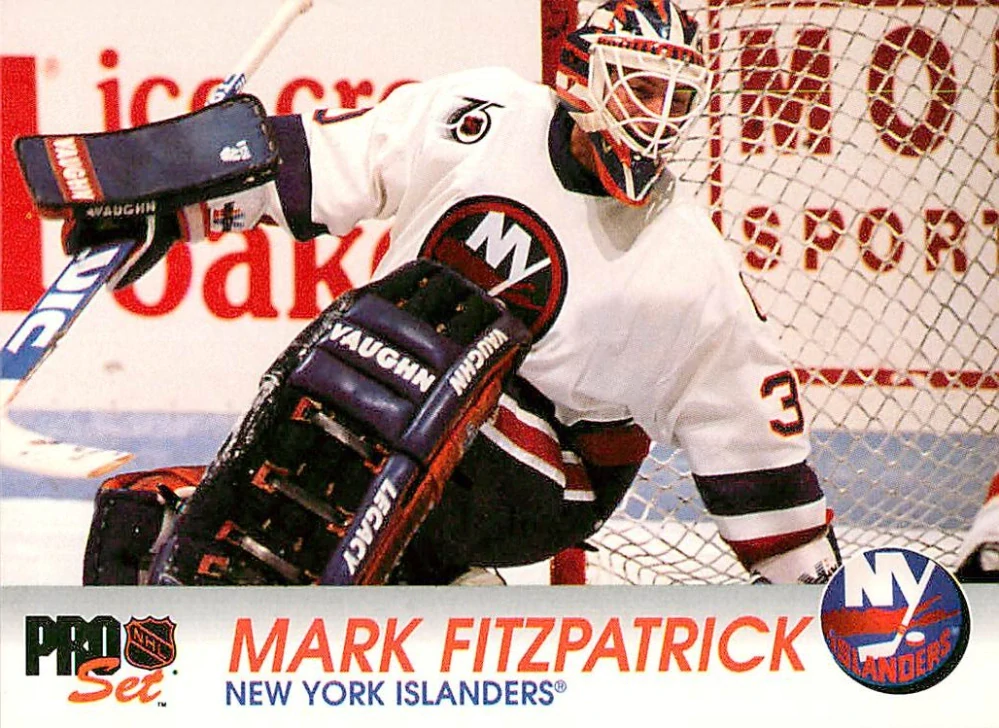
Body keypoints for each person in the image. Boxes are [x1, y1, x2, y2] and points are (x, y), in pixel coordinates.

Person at [81, 0, 842, 585]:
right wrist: (173, 210)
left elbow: (757, 453)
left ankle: (414, 573)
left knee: (407, 351)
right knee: (153, 526)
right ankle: (433, 586)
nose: (658, 119)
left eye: (676, 101)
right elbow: (325, 161)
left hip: (549, 481)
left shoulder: (688, 265)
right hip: (396, 418)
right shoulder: (484, 114)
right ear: (584, 76)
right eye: (642, 89)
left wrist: (813, 600)